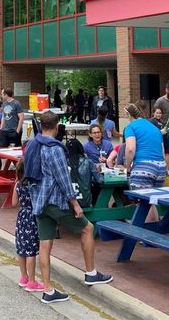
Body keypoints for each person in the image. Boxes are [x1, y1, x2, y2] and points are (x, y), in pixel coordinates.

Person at [23, 111, 112, 303]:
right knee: (87, 228)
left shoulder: (32, 144)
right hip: (55, 201)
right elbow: (63, 178)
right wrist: (74, 203)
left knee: (45, 245)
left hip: (38, 200)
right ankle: (91, 272)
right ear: (56, 127)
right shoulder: (54, 148)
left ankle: (48, 289)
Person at [122, 103, 167, 222]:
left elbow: (130, 149)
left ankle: (146, 234)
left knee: (143, 202)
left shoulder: (130, 127)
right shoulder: (154, 128)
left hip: (144, 166)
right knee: (152, 201)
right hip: (161, 167)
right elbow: (162, 151)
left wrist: (127, 167)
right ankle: (154, 229)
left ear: (128, 114)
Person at [12, 159, 42, 292]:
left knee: (22, 247)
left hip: (22, 216)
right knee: (31, 251)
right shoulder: (33, 184)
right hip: (32, 216)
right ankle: (32, 281)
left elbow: (13, 202)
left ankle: (23, 277)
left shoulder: (17, 184)